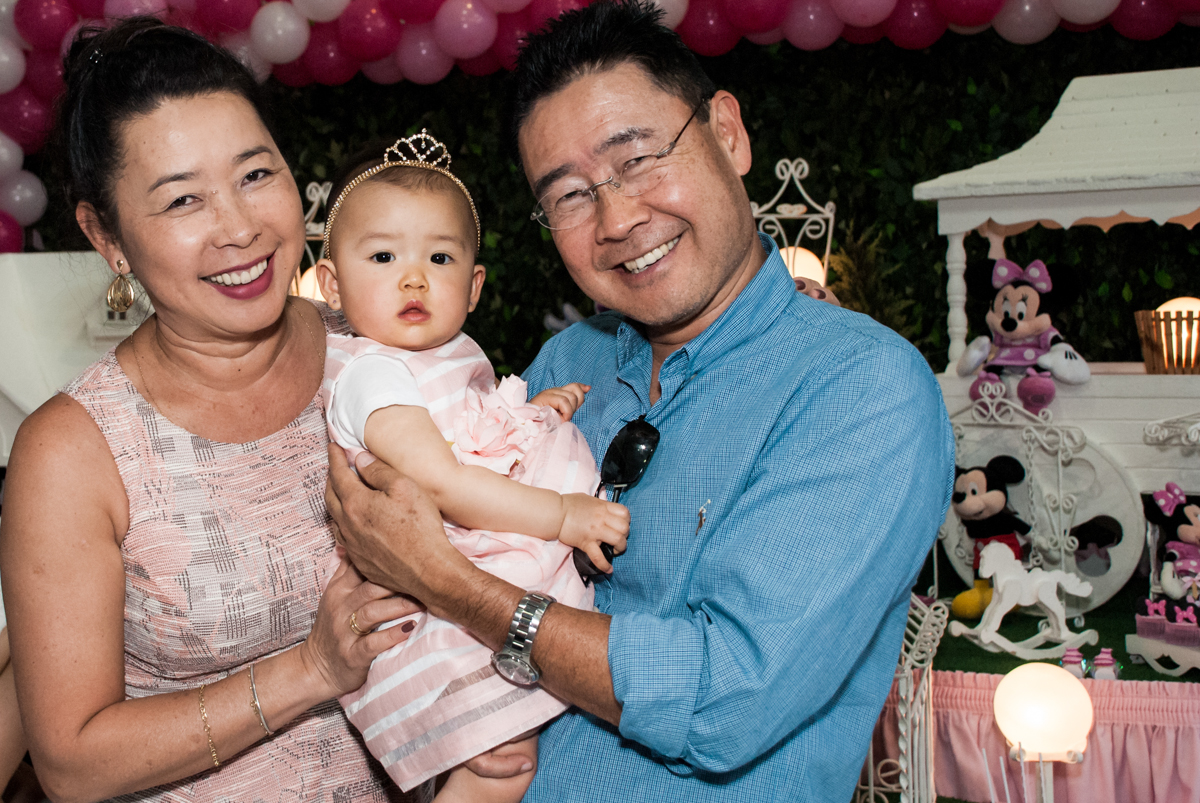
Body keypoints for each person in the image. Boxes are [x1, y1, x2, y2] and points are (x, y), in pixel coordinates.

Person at [324, 3, 955, 802]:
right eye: (571, 196)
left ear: (727, 133)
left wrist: (450, 583)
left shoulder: (860, 388)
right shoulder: (570, 360)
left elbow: (724, 697)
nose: (619, 219)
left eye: (639, 158)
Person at [0, 20, 424, 802]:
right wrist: (309, 670)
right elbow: (69, 760)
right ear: (107, 236)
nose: (239, 228)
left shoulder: (376, 352)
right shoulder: (74, 450)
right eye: (183, 199)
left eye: (256, 175)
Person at [313, 135, 628, 801]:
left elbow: (468, 434)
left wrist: (535, 412)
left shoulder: (437, 357)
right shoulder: (371, 371)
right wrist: (563, 514)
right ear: (331, 283)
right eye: (383, 255)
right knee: (498, 761)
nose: (413, 276)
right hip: (438, 604)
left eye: (439, 256)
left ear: (474, 284)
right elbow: (444, 482)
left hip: (472, 562)